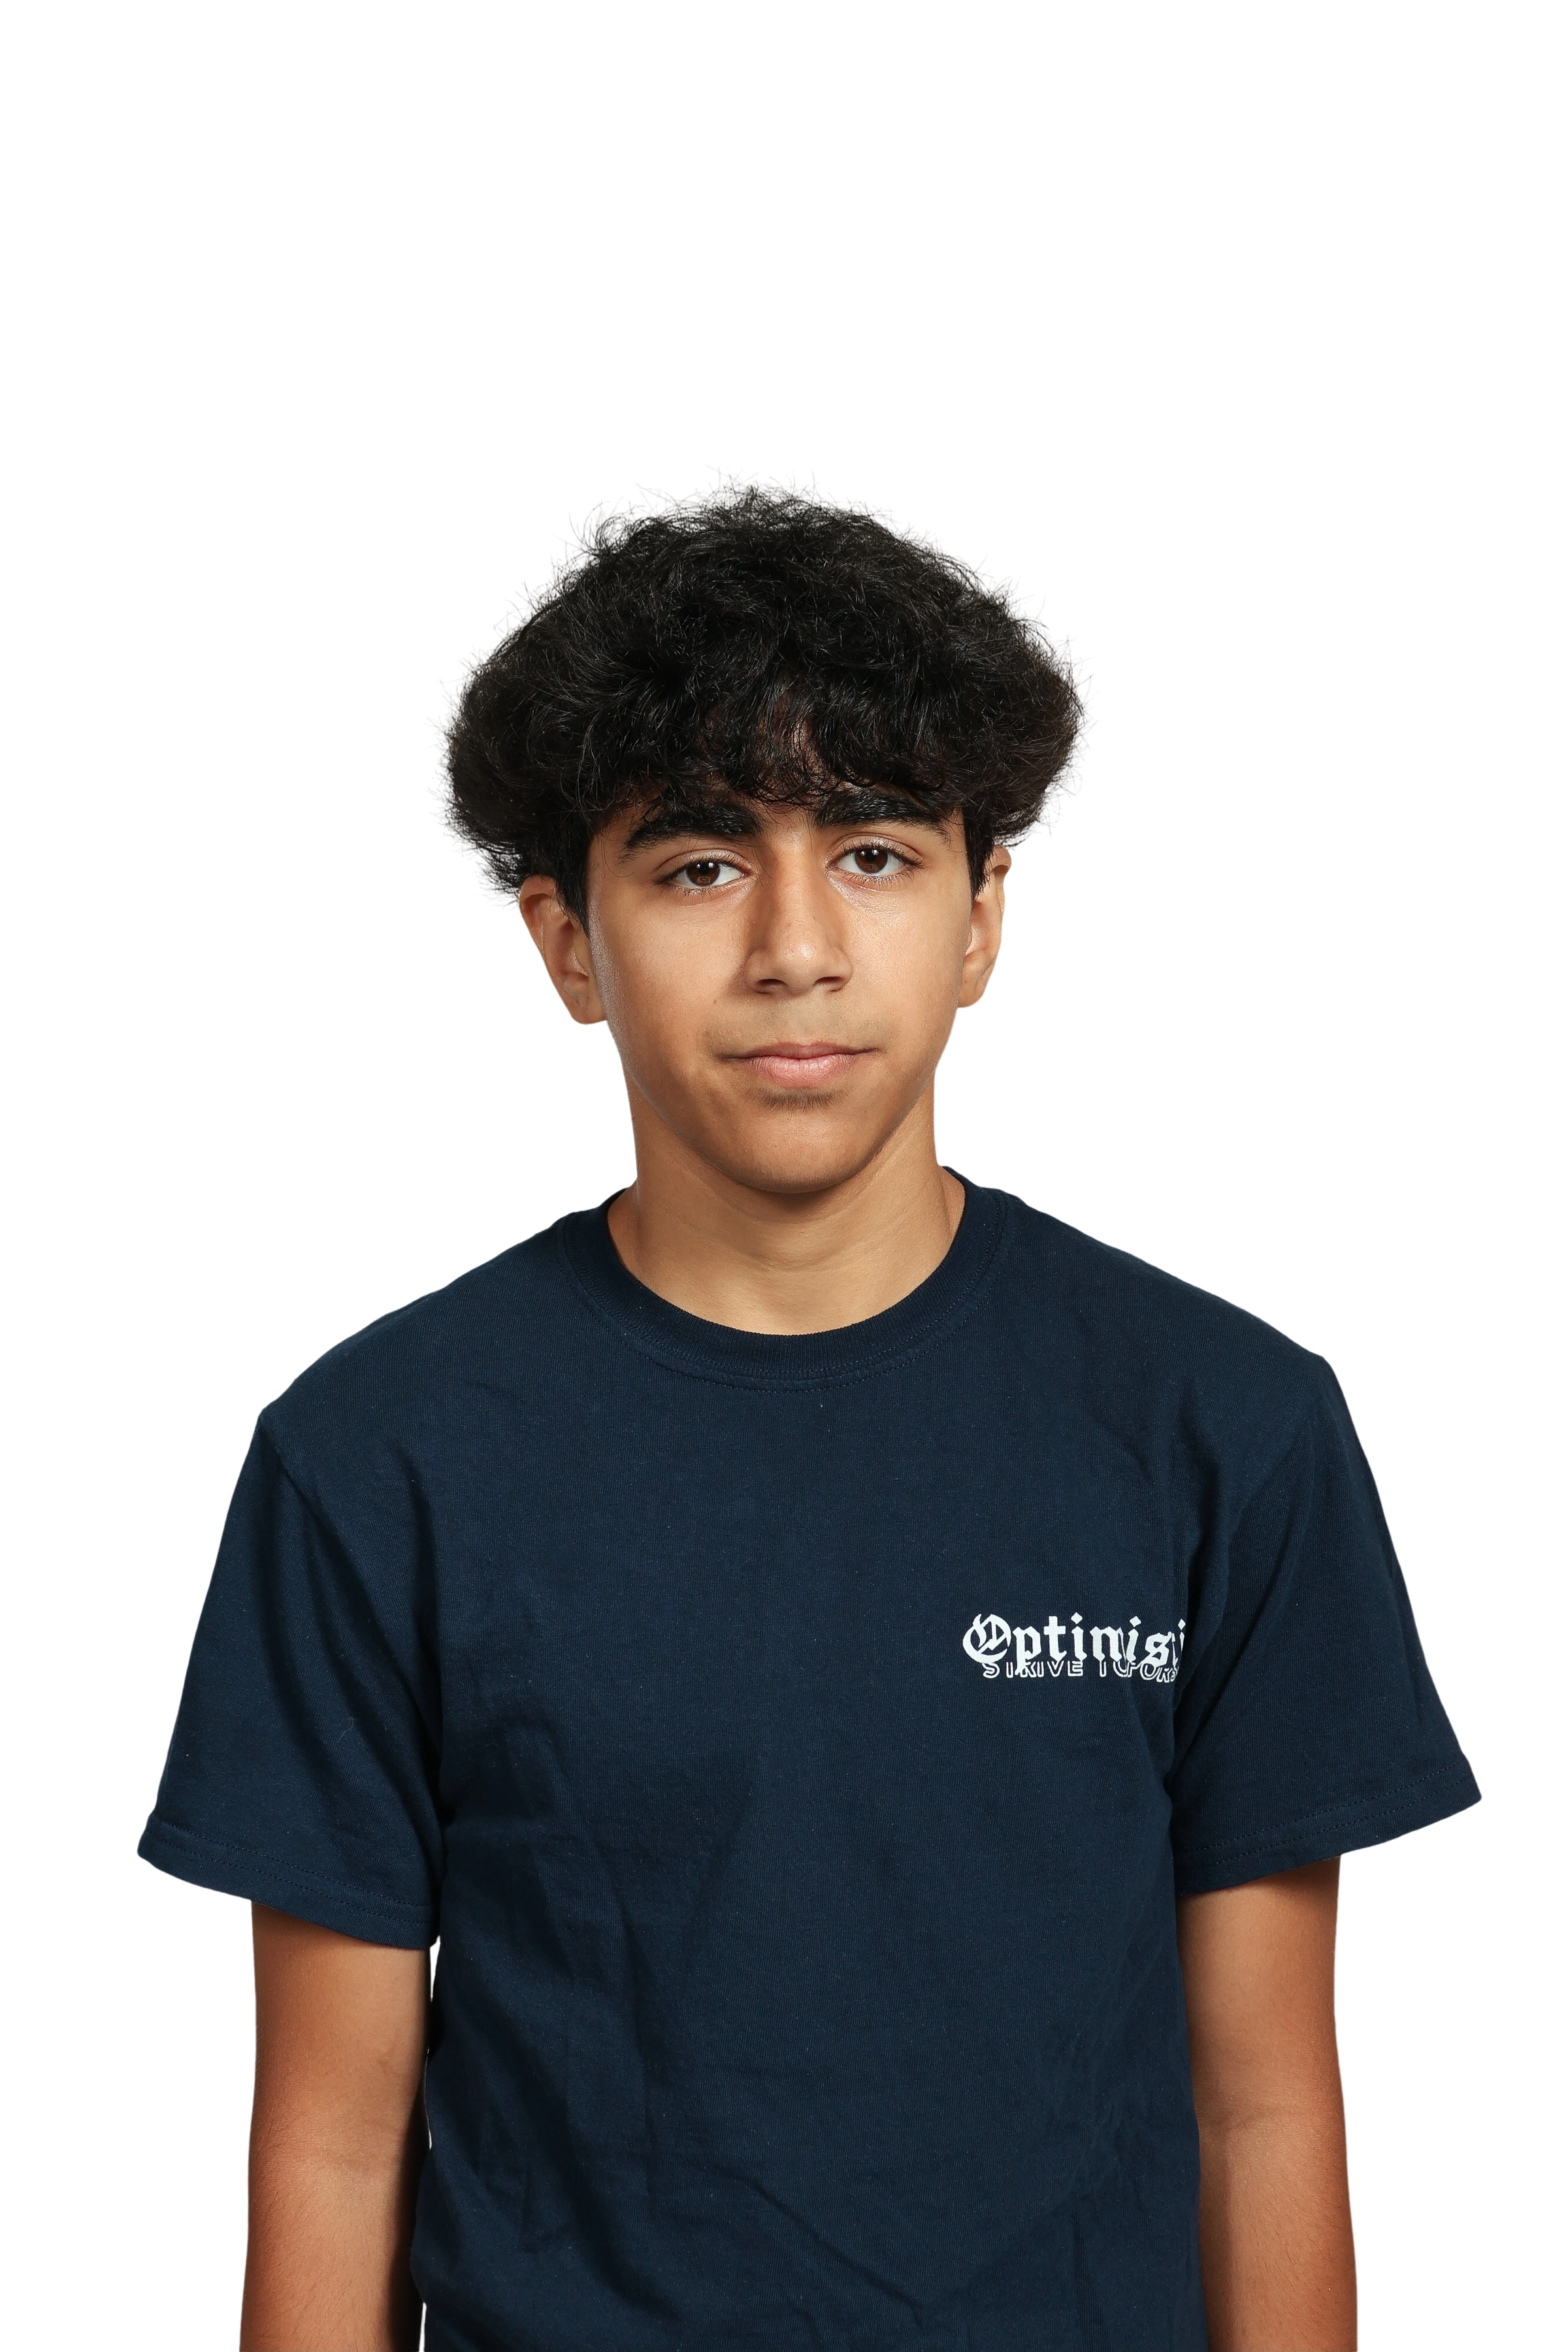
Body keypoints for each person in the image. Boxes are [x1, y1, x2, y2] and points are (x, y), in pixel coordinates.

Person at [137, 474, 1482, 2352]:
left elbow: (1262, 2114)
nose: (797, 946)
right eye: (699, 863)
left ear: (983, 913)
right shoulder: (377, 1457)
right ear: (568, 942)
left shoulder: (1224, 1425)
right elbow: (328, 2150)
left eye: (874, 852)